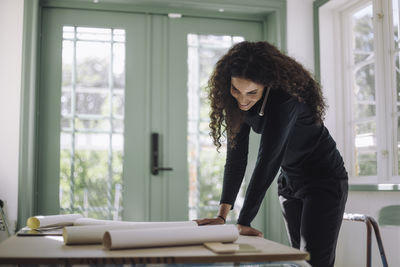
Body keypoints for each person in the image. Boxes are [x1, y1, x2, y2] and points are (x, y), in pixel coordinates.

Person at [195, 41, 348, 267]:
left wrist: (244, 221)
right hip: (289, 181)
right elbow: (236, 159)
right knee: (299, 260)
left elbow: (268, 159)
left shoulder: (286, 99)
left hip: (323, 179)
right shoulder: (235, 101)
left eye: (252, 93)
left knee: (313, 262)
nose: (243, 100)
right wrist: (222, 215)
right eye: (236, 89)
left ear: (267, 85)